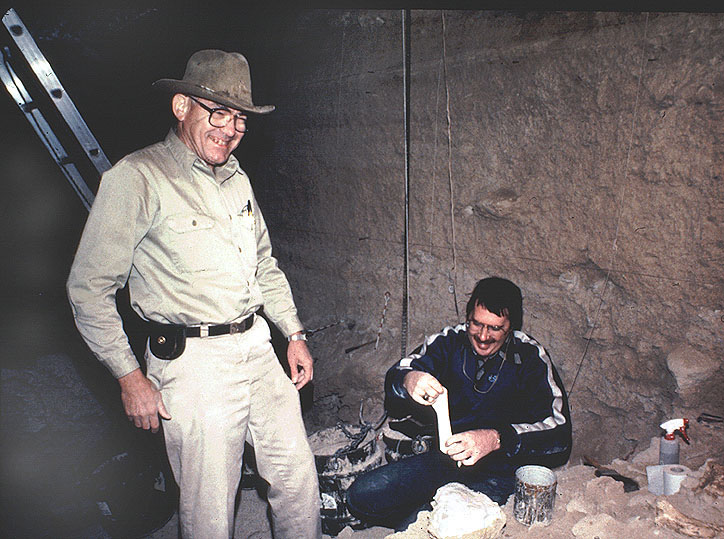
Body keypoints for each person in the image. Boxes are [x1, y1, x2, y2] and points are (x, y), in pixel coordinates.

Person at [67, 50, 321, 538]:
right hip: (194, 365)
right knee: (209, 509)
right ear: (181, 106)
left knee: (298, 483)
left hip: (258, 350)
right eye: (218, 112)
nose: (230, 128)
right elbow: (88, 289)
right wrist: (128, 375)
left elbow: (263, 263)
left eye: (241, 117)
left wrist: (293, 331)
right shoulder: (137, 178)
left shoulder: (237, 178)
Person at [346, 277, 571, 530]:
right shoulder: (450, 341)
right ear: (467, 318)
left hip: (500, 471)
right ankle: (422, 511)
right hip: (446, 459)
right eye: (476, 324)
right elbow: (400, 373)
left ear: (511, 328)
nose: (483, 336)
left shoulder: (530, 357)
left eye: (495, 328)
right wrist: (409, 380)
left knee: (423, 527)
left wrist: (496, 438)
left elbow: (560, 434)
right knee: (362, 496)